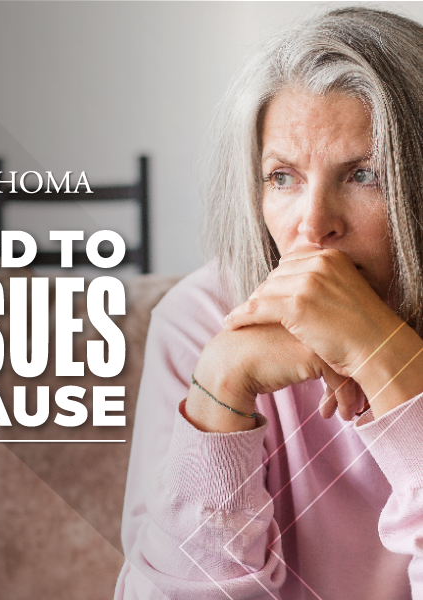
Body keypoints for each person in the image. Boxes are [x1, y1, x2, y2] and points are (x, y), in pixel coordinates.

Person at [116, 7, 423, 599]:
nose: (313, 226)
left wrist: (391, 365)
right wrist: (221, 391)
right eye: (282, 177)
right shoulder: (203, 320)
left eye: (366, 174)